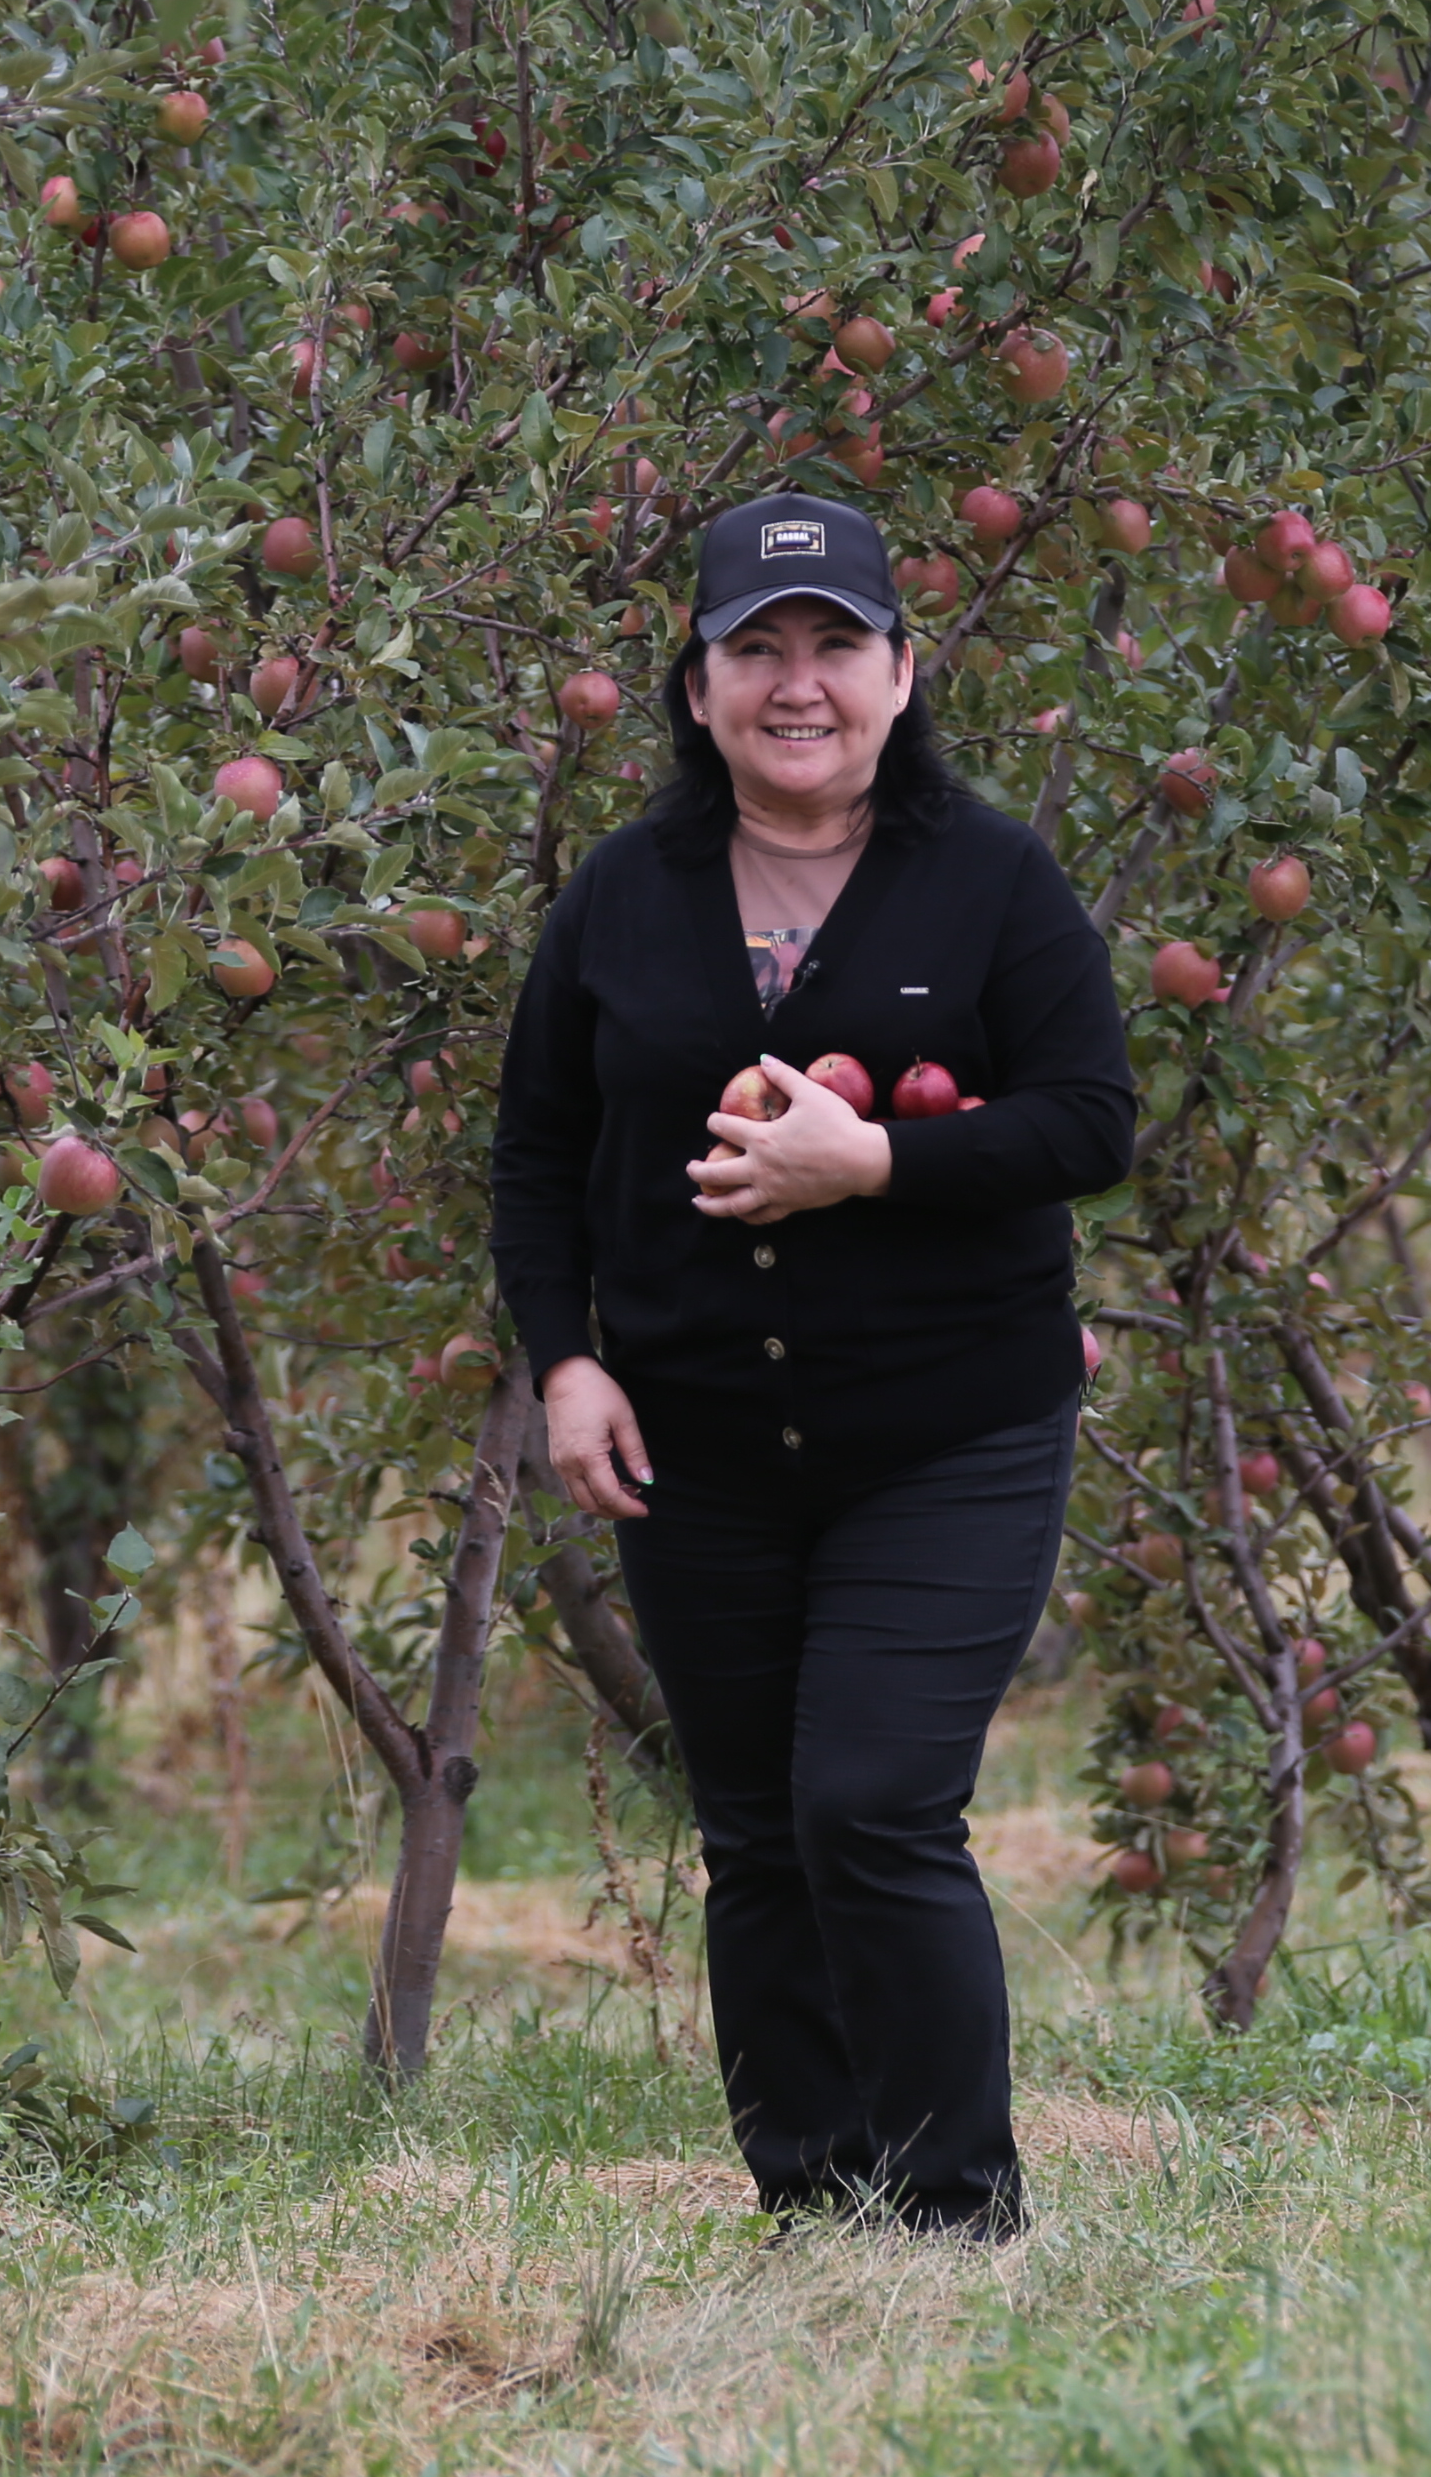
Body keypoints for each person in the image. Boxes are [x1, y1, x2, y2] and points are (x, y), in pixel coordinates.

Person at [487, 489, 1136, 2239]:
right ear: (694, 689)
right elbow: (540, 1153)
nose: (798, 684)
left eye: (837, 646)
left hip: (949, 1428)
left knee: (868, 1804)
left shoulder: (990, 880)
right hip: (693, 1438)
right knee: (761, 1832)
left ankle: (954, 2213)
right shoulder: (624, 897)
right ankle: (817, 2203)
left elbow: (1092, 1121)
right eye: (754, 649)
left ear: (904, 674)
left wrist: (880, 1165)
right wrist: (568, 1363)